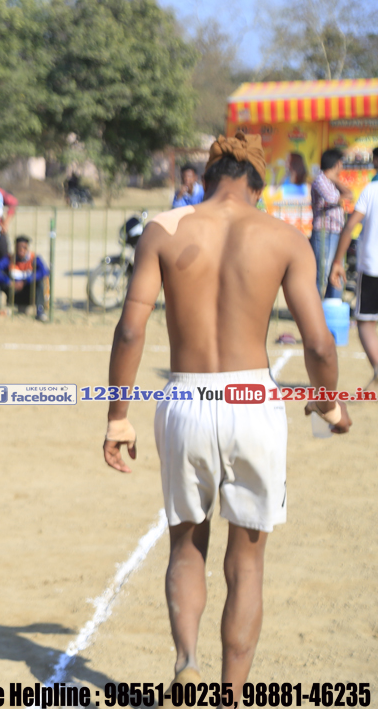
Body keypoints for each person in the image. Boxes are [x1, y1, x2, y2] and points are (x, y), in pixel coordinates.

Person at [104, 130, 350, 692]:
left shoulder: (164, 229)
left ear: (208, 179)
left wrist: (118, 415)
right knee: (247, 563)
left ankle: (186, 665)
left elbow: (130, 330)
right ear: (258, 187)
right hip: (253, 402)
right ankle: (232, 697)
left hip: (185, 398)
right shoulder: (284, 237)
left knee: (186, 544)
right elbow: (319, 344)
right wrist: (328, 403)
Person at [330, 156, 378, 392]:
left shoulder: (371, 190)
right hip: (371, 265)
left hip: (372, 266)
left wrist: (337, 261)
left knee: (365, 322)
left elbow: (350, 226)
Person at [310, 149, 349, 299]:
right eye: (341, 163)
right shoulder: (320, 180)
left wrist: (336, 180)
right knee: (322, 274)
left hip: (336, 231)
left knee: (336, 270)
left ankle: (333, 305)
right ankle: (314, 307)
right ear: (336, 163)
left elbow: (349, 194)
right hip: (324, 233)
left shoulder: (333, 182)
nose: (342, 167)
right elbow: (334, 199)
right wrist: (337, 184)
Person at [0, 235, 49, 320]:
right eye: (19, 247)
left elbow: (44, 271)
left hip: (28, 292)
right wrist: (8, 281)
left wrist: (26, 281)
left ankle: (40, 311)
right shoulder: (9, 259)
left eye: (24, 247)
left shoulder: (34, 258)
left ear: (27, 248)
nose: (21, 250)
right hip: (13, 292)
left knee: (40, 282)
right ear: (15, 247)